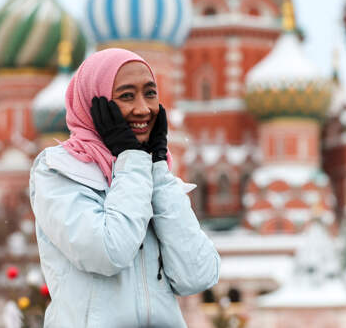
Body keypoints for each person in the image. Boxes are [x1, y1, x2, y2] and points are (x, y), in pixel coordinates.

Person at [29, 48, 221, 328]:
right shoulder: (59, 172)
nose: (143, 109)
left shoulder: (153, 177)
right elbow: (108, 252)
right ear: (95, 104)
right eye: (127, 96)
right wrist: (131, 158)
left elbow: (198, 275)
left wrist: (156, 168)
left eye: (150, 93)